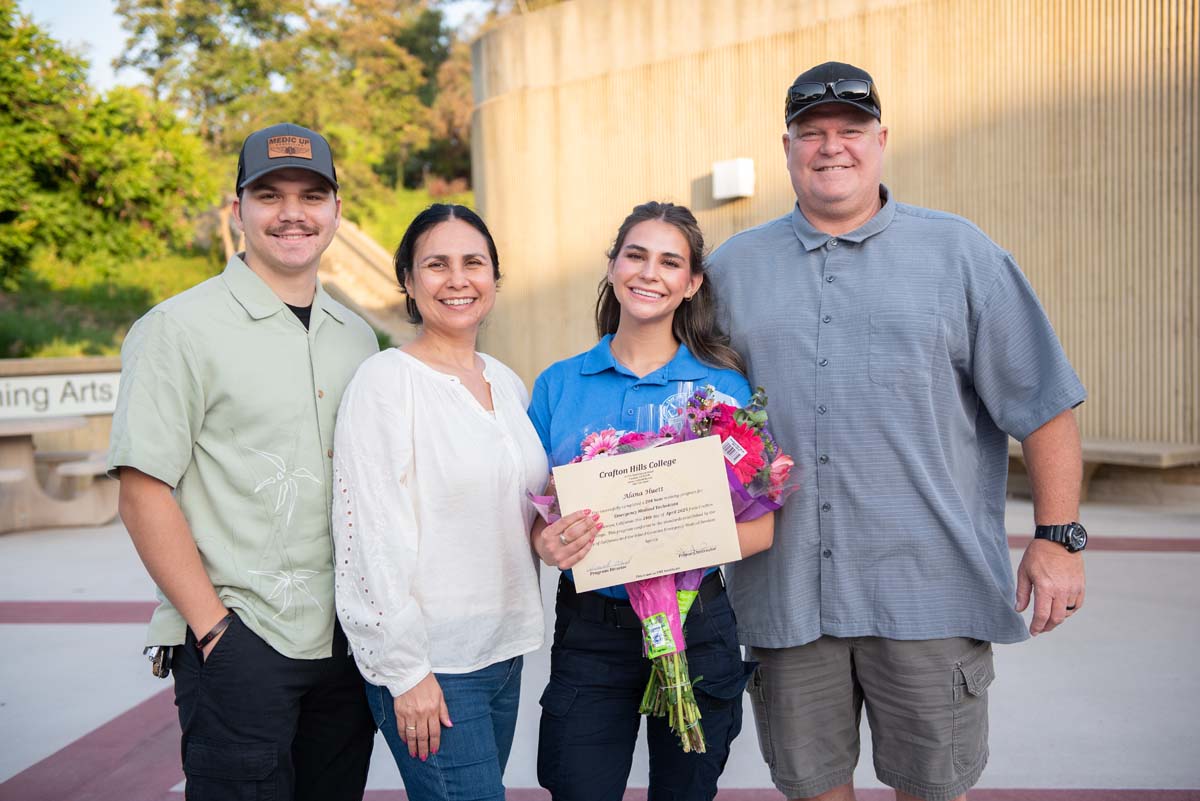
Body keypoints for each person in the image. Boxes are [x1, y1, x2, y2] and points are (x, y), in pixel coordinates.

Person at [707, 61, 1089, 801]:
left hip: (929, 594)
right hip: (787, 597)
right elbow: (684, 406)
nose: (831, 147)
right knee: (813, 787)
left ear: (881, 140)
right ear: (786, 147)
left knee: (933, 789)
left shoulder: (962, 255)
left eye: (850, 131)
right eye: (811, 133)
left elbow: (1043, 402)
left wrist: (1058, 536)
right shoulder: (731, 269)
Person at [108, 123, 379, 800]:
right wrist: (215, 631)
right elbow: (144, 491)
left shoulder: (358, 335)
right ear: (238, 211)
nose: (293, 211)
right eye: (270, 194)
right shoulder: (177, 327)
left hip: (347, 644)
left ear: (337, 211)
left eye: (312, 194)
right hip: (240, 638)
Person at [528, 201, 775, 801]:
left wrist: (670, 545)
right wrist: (546, 542)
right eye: (635, 255)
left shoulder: (723, 388)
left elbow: (761, 529)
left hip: (697, 621)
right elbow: (530, 519)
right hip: (594, 631)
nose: (649, 273)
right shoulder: (558, 385)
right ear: (613, 266)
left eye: (670, 262)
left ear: (690, 285)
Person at [331, 204, 548, 801]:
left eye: (473, 263)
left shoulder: (505, 381)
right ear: (407, 280)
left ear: (494, 280)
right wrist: (405, 673)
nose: (458, 279)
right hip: (434, 663)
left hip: (504, 652)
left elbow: (518, 506)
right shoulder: (386, 382)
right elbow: (368, 536)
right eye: (436, 264)